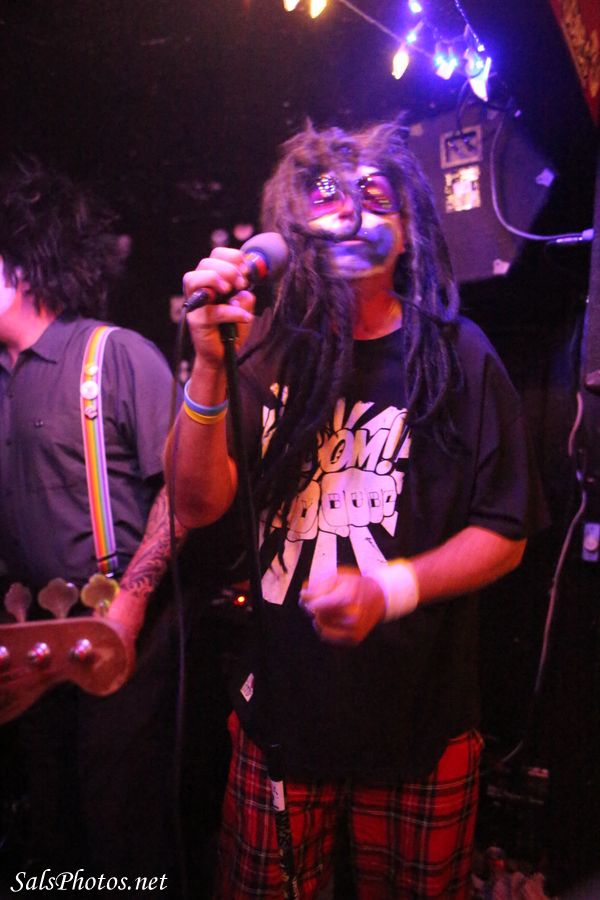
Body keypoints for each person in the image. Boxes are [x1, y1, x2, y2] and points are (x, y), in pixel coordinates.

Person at [168, 120, 547, 899]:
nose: (348, 210)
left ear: (408, 232)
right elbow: (197, 504)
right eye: (326, 195)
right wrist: (207, 366)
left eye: (375, 196)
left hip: (418, 727)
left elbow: (506, 533)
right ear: (295, 228)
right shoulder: (261, 350)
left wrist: (388, 588)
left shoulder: (459, 355)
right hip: (280, 723)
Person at [0, 157, 187, 889]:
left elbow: (184, 494)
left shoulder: (115, 355)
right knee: (51, 835)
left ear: (18, 269)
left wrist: (133, 602)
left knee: (122, 839)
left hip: (121, 626)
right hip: (30, 642)